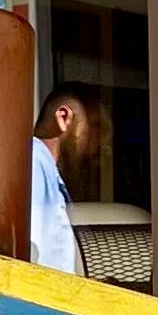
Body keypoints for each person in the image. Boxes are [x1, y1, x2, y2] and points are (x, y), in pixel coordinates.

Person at [29, 90, 97, 271]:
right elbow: (31, 250)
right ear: (64, 118)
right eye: (94, 129)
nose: (99, 143)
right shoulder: (34, 163)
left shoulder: (44, 169)